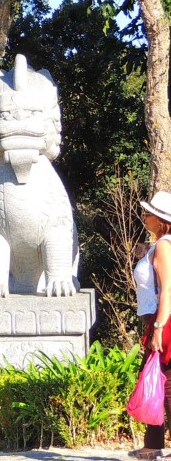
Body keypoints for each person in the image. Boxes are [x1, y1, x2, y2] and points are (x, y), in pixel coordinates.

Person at [132, 191, 171, 459]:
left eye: (148, 214)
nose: (144, 217)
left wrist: (158, 327)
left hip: (165, 319)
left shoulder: (165, 245)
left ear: (159, 220)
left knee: (166, 380)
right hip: (159, 317)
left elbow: (168, 287)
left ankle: (156, 443)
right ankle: (153, 442)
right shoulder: (161, 244)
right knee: (155, 377)